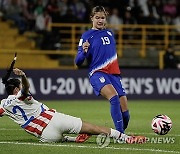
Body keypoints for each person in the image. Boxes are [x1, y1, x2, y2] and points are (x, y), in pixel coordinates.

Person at [0, 67, 146, 144]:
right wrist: (23, 76)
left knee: (59, 138)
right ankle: (127, 139)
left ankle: (70, 139)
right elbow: (25, 89)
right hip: (52, 120)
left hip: (45, 136)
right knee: (95, 129)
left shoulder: (3, 104)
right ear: (16, 89)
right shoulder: (20, 95)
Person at [75, 6, 130, 134]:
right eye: (97, 17)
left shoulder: (110, 33)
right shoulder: (86, 36)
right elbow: (78, 62)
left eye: (103, 18)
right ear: (92, 18)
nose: (100, 20)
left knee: (126, 114)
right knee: (114, 98)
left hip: (114, 75)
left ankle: (121, 130)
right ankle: (120, 135)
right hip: (97, 73)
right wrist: (83, 52)